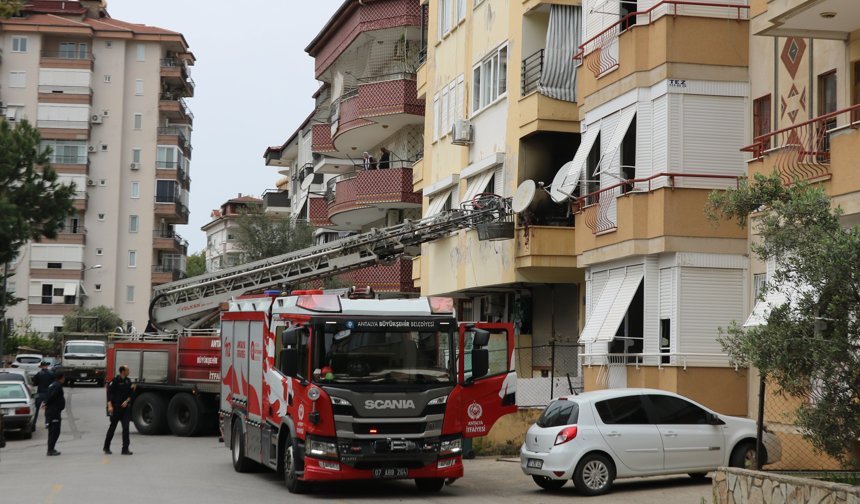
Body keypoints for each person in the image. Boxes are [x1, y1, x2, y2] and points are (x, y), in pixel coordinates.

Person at [103, 365, 135, 455]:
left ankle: (125, 449)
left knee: (126, 428)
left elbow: (131, 394)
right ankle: (106, 447)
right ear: (122, 371)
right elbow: (109, 392)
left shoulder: (128, 381)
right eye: (127, 370)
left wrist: (127, 400)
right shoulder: (115, 380)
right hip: (116, 408)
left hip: (125, 409)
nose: (129, 371)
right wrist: (109, 405)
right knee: (112, 427)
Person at [43, 370, 65, 456]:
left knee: (54, 431)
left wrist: (45, 402)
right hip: (53, 412)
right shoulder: (57, 386)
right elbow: (52, 396)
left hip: (53, 411)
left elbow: (48, 395)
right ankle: (50, 450)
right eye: (64, 377)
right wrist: (46, 403)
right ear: (61, 377)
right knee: (54, 431)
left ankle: (51, 448)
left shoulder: (53, 384)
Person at [31, 361, 55, 428]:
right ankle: (47, 423)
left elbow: (34, 383)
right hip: (48, 394)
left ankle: (33, 423)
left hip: (39, 393)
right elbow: (54, 384)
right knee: (48, 409)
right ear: (47, 366)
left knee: (36, 409)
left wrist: (32, 396)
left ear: (41, 367)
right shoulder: (51, 373)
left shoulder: (38, 374)